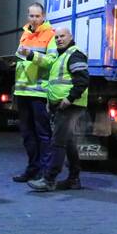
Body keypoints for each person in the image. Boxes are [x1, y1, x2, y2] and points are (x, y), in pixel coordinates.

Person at [29, 27, 88, 192]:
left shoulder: (74, 54)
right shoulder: (61, 55)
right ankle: (74, 179)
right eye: (56, 37)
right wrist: (51, 102)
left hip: (70, 105)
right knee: (68, 142)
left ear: (71, 36)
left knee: (58, 142)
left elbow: (83, 80)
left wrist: (69, 99)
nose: (59, 39)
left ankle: (49, 179)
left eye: (62, 36)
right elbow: (56, 82)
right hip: (62, 105)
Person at [12, 2, 57, 183]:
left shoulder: (50, 35)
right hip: (23, 91)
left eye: (37, 16)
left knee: (43, 135)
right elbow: (21, 58)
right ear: (27, 16)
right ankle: (32, 169)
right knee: (27, 134)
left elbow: (51, 61)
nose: (34, 19)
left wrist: (31, 55)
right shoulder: (25, 33)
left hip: (39, 92)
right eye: (31, 16)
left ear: (43, 17)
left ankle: (44, 172)